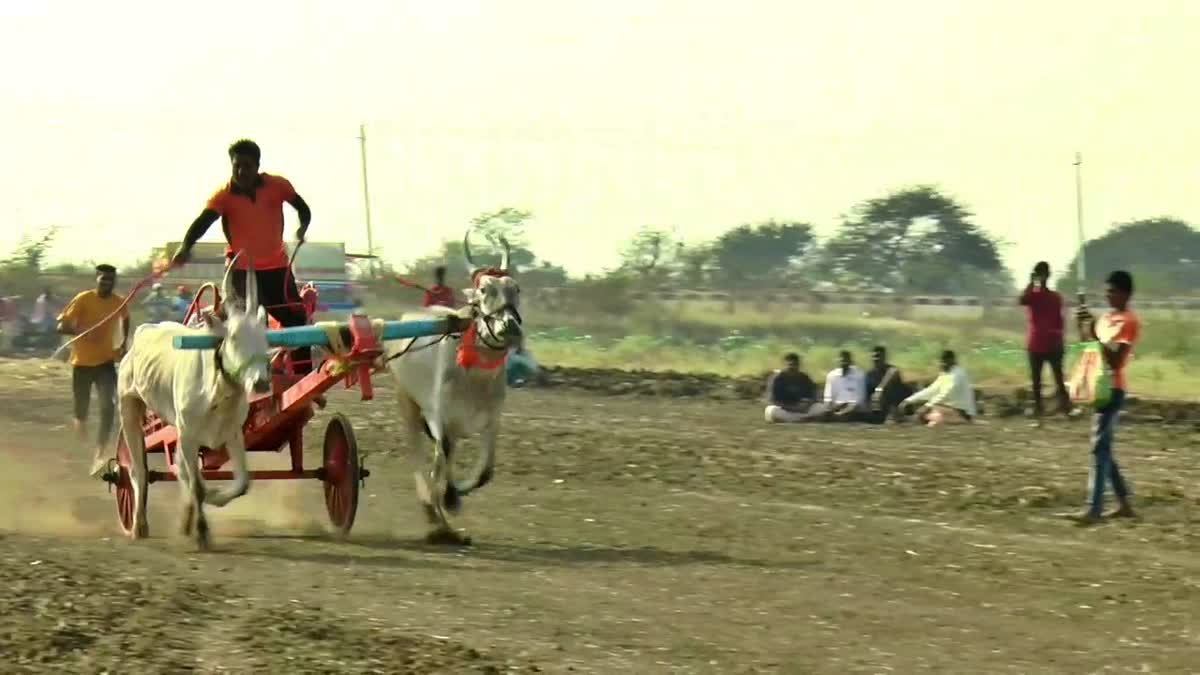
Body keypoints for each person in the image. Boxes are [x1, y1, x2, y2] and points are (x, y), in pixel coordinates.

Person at [171, 138, 313, 373]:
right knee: (243, 324)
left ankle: (301, 377)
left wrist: (302, 227)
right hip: (241, 272)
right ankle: (225, 374)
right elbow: (202, 223)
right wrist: (185, 246)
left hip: (277, 269)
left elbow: (303, 209)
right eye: (236, 165)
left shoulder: (277, 185)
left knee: (297, 320)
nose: (241, 171)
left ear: (257, 166)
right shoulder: (223, 196)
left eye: (247, 166)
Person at [1070, 270, 1139, 525]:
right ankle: (1123, 503)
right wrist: (1084, 326)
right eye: (1107, 290)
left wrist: (1095, 334)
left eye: (1112, 291)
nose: (1108, 295)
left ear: (1125, 293)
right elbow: (1089, 346)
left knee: (1099, 448)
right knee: (1104, 448)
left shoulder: (1128, 321)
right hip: (1099, 386)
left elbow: (1116, 359)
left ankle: (1094, 508)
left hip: (1113, 387)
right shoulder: (1107, 318)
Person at [57, 264, 130, 476]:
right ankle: (80, 445)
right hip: (81, 363)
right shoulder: (83, 299)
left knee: (108, 406)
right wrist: (83, 331)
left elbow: (125, 318)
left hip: (106, 362)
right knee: (81, 411)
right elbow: (62, 326)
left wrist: (124, 342)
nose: (107, 283)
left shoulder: (118, 302)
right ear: (97, 279)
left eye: (111, 280)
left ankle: (100, 452)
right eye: (103, 279)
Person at [1019, 261, 1071, 426]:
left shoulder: (1040, 296)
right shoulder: (1053, 297)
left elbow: (1023, 300)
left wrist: (1032, 283)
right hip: (1049, 342)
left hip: (1041, 343)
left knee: (1041, 380)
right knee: (1054, 378)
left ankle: (1043, 409)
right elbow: (1024, 300)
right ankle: (1063, 407)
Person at [899, 350, 977, 427]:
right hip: (950, 409)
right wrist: (909, 400)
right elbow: (931, 390)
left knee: (926, 412)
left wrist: (927, 406)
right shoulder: (945, 374)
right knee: (921, 408)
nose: (942, 364)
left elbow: (946, 393)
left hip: (962, 413)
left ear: (951, 361)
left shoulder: (957, 374)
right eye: (941, 362)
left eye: (944, 362)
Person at [863, 345, 914, 423]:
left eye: (878, 356)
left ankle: (894, 415)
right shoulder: (870, 374)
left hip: (897, 404)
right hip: (881, 409)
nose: (875, 359)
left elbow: (893, 372)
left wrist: (880, 389)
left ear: (884, 357)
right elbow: (867, 395)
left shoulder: (891, 370)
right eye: (873, 357)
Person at [763, 352, 818, 423]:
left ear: (799, 365)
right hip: (785, 410)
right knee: (771, 410)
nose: (793, 367)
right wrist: (793, 408)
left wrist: (807, 405)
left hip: (802, 410)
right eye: (790, 365)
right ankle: (804, 419)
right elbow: (772, 401)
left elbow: (814, 396)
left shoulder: (804, 377)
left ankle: (799, 419)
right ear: (784, 365)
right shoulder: (776, 378)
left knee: (819, 407)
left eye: (795, 365)